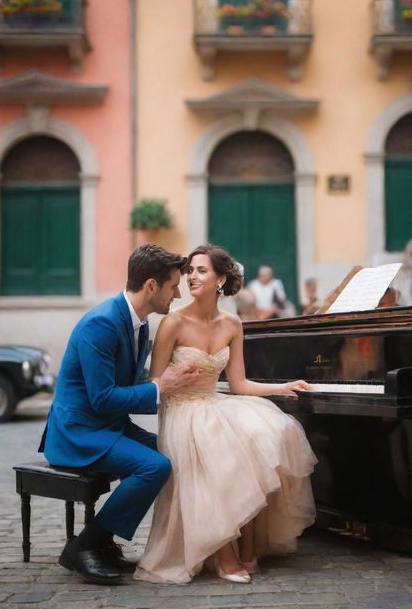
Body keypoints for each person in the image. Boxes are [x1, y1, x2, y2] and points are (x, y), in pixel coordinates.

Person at [134, 244, 317, 585]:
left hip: (212, 403)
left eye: (201, 270)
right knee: (223, 454)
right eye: (189, 271)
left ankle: (248, 546)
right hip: (180, 410)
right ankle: (224, 555)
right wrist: (171, 382)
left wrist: (281, 387)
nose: (191, 276)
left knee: (262, 437)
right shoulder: (172, 323)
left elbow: (238, 382)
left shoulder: (232, 324)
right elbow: (155, 384)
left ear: (220, 279)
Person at [39, 245, 205, 585]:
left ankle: (104, 543)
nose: (177, 293)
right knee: (155, 466)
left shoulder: (140, 324)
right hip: (79, 432)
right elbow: (101, 398)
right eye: (173, 285)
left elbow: (130, 380)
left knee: (172, 449)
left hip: (109, 426)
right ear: (150, 286)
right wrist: (160, 387)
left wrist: (174, 381)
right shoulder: (101, 324)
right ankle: (85, 546)